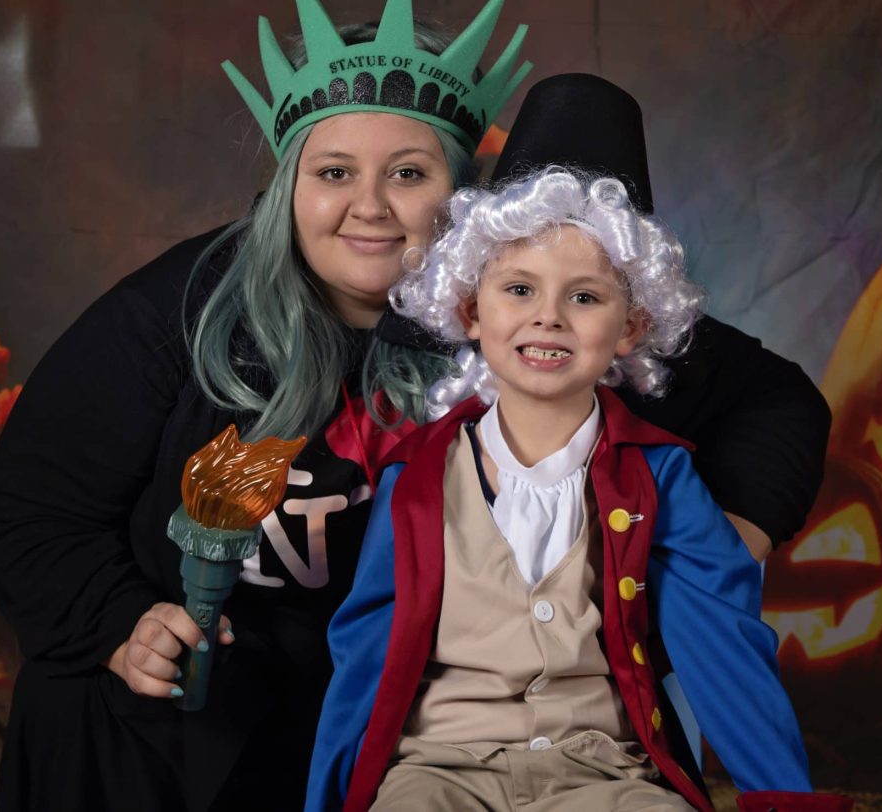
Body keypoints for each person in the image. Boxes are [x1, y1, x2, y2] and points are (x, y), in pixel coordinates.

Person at [0, 0, 827, 811]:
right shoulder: (185, 306)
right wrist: (123, 623)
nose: (370, 205)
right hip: (191, 699)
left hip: (426, 717)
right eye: (334, 171)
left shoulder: (528, 314)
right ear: (291, 187)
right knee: (81, 695)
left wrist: (717, 545)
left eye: (409, 173)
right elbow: (34, 504)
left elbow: (776, 402)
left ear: (463, 199)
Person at [305, 167, 847, 811]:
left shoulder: (661, 475)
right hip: (439, 766)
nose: (548, 318)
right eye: (519, 289)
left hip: (607, 772)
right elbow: (363, 651)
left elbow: (723, 640)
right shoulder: (415, 477)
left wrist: (782, 798)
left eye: (584, 298)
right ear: (471, 312)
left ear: (630, 328)